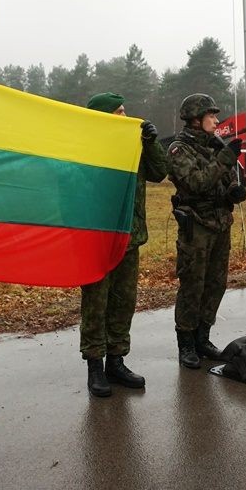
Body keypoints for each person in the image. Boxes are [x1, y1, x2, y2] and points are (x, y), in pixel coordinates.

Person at [79, 92, 167, 397]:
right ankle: (95, 366)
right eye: (119, 111)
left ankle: (116, 361)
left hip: (129, 236)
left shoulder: (134, 145)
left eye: (124, 109)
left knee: (123, 302)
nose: (126, 115)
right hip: (97, 239)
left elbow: (159, 173)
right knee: (96, 304)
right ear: (103, 117)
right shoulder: (86, 151)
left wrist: (151, 143)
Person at [168, 93, 246, 368]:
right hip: (197, 226)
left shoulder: (215, 145)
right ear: (195, 119)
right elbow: (197, 183)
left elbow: (222, 180)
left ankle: (203, 337)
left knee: (216, 283)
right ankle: (186, 343)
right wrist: (225, 158)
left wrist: (234, 191)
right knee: (193, 285)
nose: (216, 120)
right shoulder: (179, 149)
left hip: (220, 223)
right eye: (211, 116)